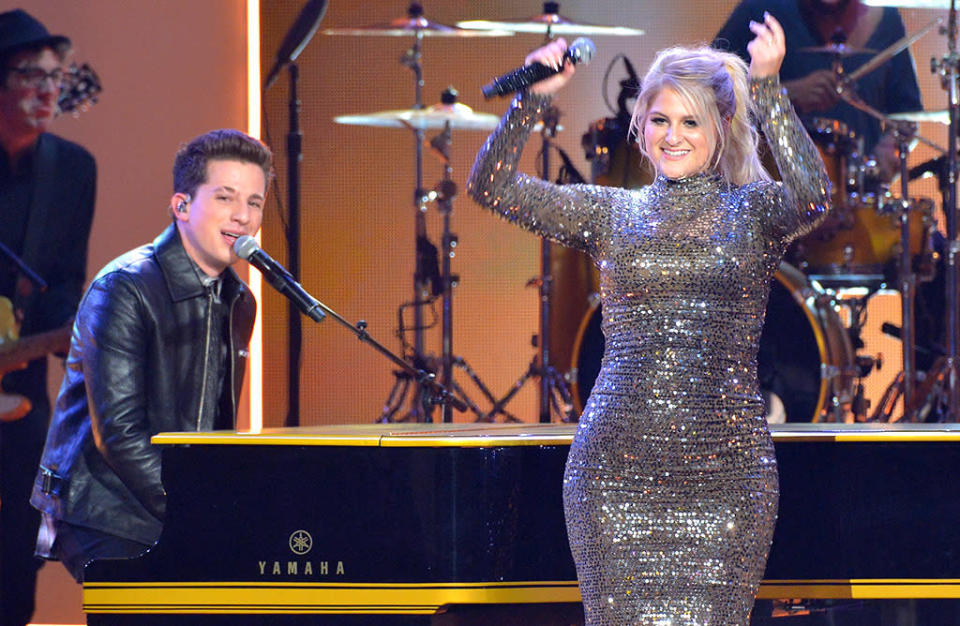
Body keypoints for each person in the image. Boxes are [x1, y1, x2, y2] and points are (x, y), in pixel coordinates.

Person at [467, 14, 830, 625]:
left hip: (727, 477)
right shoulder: (613, 214)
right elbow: (491, 184)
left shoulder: (756, 213)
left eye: (691, 121)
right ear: (641, 126)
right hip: (614, 474)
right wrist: (530, 97)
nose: (673, 135)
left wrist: (768, 88)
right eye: (660, 120)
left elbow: (814, 194)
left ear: (721, 128)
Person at [29, 128, 270, 583]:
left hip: (177, 498)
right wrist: (193, 509)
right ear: (181, 206)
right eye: (225, 198)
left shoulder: (238, 298)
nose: (242, 216)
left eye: (254, 203)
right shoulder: (125, 287)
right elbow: (118, 434)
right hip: (106, 506)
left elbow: (215, 425)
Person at [0, 9, 95, 625]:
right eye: (29, 74)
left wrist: (75, 335)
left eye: (55, 76)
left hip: (22, 390)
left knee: (22, 544)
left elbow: (64, 284)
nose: (46, 89)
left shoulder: (72, 169)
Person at [714, 0, 923, 182]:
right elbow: (710, 94)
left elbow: (907, 114)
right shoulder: (760, 9)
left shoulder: (886, 17)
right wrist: (787, 94)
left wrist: (886, 156)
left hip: (858, 201)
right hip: (774, 194)